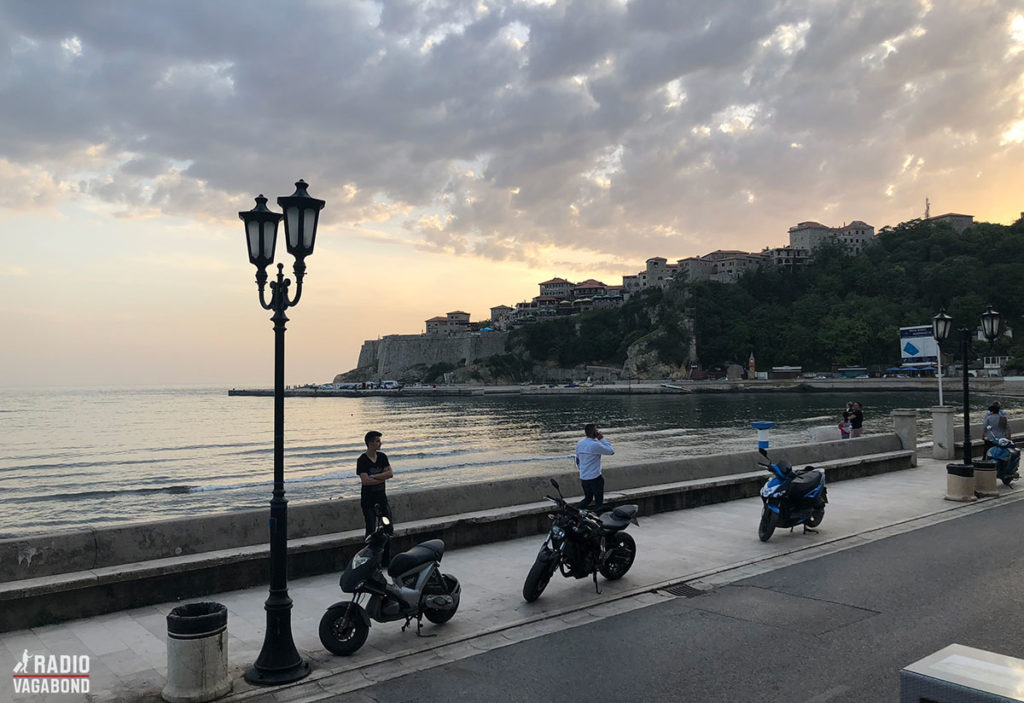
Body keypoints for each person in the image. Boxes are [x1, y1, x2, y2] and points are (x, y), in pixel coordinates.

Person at [357, 430, 394, 562]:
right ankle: (369, 560)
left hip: (381, 499)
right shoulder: (362, 460)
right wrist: (381, 477)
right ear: (370, 443)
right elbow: (365, 481)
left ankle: (386, 559)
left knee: (388, 527)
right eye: (377, 441)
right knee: (371, 529)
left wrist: (373, 476)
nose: (380, 443)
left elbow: (390, 474)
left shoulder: (382, 457)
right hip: (368, 501)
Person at [575, 423, 614, 512]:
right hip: (595, 477)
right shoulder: (595, 445)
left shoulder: (580, 443)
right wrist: (602, 439)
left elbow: (577, 459)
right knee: (598, 502)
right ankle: (598, 520)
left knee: (587, 499)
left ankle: (575, 513)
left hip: (584, 477)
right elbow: (611, 451)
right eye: (596, 430)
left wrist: (582, 470)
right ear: (594, 433)